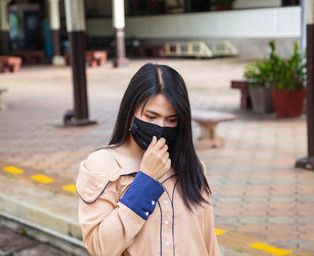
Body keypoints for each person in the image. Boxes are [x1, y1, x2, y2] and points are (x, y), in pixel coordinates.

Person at [76, 63, 221, 256]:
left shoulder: (192, 167)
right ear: (130, 113)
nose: (161, 127)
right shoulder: (102, 165)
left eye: (171, 119)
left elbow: (209, 243)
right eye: (151, 117)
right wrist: (146, 181)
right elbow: (100, 247)